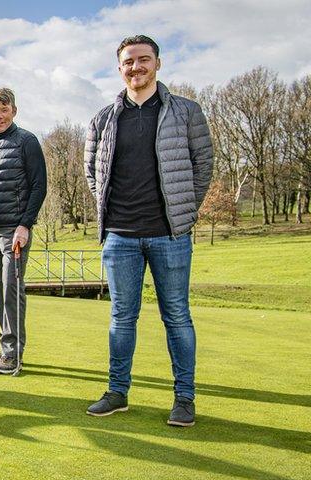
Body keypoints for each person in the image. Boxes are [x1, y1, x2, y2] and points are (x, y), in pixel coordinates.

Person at [84, 35, 213, 427]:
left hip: (169, 234)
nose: (135, 67)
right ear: (119, 67)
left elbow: (202, 164)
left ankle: (184, 398)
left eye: (143, 60)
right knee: (122, 317)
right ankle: (117, 391)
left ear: (157, 63)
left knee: (176, 316)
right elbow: (93, 173)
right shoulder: (103, 118)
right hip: (120, 236)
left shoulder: (187, 112)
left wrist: (184, 214)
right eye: (128, 61)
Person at [0, 87, 47, 376]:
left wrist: (25, 225)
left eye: (3, 110)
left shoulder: (26, 141)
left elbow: (39, 187)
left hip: (13, 231)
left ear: (14, 111)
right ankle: (5, 348)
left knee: (12, 289)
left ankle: (14, 354)